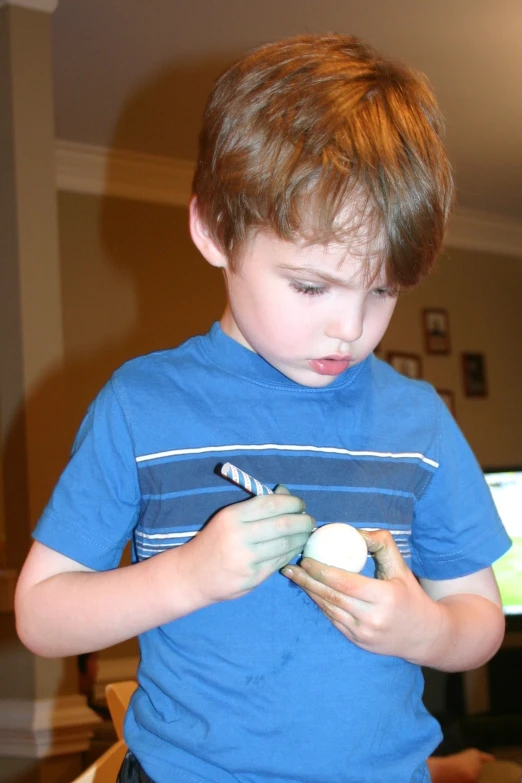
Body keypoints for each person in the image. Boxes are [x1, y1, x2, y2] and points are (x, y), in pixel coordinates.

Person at [14, 34, 511, 783]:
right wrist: (190, 575)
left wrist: (425, 628)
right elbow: (41, 615)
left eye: (381, 290)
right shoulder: (140, 405)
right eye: (311, 286)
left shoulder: (421, 423)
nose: (350, 326)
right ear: (215, 230)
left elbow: (481, 623)